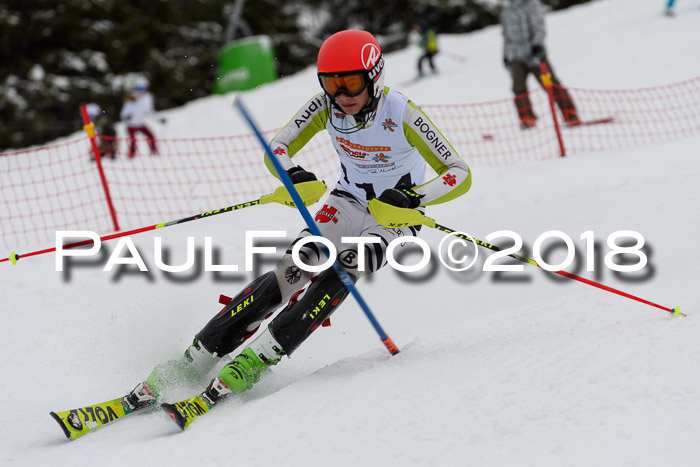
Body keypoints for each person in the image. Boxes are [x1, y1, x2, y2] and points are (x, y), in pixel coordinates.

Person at [120, 30, 472, 419]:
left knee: (346, 267)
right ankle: (198, 355)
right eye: (331, 84)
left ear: (374, 75)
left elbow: (459, 172)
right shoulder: (325, 106)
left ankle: (258, 359)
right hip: (346, 201)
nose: (342, 95)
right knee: (295, 266)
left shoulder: (401, 112)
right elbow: (278, 148)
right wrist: (294, 174)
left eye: (351, 82)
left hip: (393, 217)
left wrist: (414, 197)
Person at [500, 0, 580, 129]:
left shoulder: (531, 4)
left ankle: (569, 112)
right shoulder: (507, 11)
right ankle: (526, 117)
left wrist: (538, 45)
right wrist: (505, 54)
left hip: (534, 55)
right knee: (518, 88)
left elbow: (539, 26)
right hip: (515, 56)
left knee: (550, 84)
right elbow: (506, 35)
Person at [120, 83, 158, 157]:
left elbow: (150, 111)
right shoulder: (131, 98)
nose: (142, 91)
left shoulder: (147, 98)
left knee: (151, 136)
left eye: (143, 89)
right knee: (133, 141)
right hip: (131, 124)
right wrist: (126, 117)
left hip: (140, 123)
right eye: (140, 89)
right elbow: (123, 113)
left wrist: (158, 119)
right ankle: (132, 153)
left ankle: (154, 151)